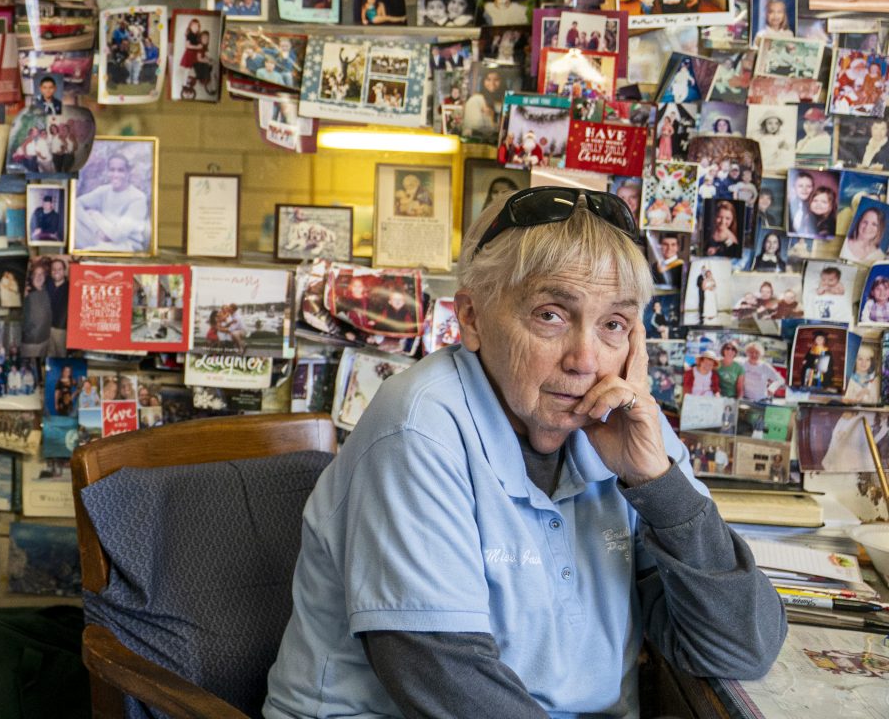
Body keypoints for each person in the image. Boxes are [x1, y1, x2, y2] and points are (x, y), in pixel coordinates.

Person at [264, 188, 785, 717]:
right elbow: (449, 685)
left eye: (613, 325)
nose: (586, 360)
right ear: (471, 317)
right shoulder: (418, 426)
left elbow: (743, 648)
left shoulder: (628, 428)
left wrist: (657, 483)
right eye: (551, 314)